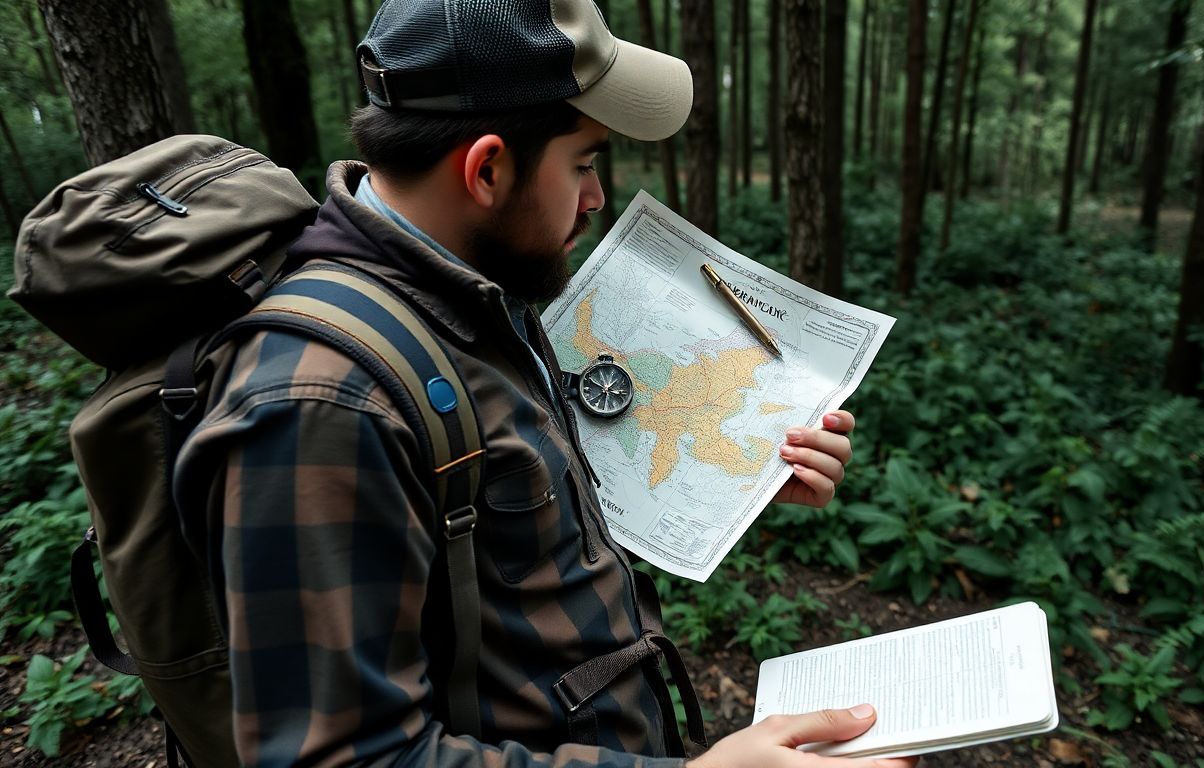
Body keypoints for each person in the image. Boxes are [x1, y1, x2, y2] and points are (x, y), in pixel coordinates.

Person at [174, 1, 918, 766]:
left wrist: (736, 473)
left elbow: (506, 523)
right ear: (487, 168)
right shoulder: (318, 405)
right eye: (586, 163)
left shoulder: (472, 292)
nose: (597, 200)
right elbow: (341, 757)